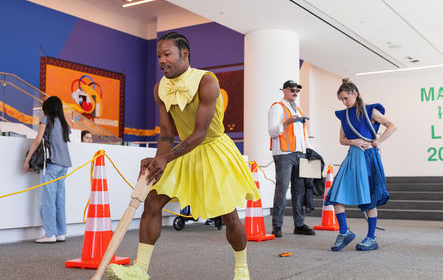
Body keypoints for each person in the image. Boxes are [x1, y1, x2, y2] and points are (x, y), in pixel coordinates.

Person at [106, 32, 260, 280]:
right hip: (182, 151)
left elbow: (200, 133)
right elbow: (167, 133)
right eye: (158, 56)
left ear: (184, 53)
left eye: (167, 54)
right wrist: (157, 164)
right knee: (152, 202)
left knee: (229, 215)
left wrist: (165, 159)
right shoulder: (160, 88)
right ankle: (140, 270)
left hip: (213, 148)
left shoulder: (206, 81)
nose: (161, 60)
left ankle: (242, 269)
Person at [324, 78, 396, 252]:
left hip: (368, 157)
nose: (344, 102)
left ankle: (371, 238)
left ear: (355, 94)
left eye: (346, 98)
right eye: (341, 99)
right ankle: (344, 232)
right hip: (352, 157)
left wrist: (377, 141)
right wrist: (352, 141)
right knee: (335, 195)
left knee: (370, 198)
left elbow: (391, 126)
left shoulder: (370, 110)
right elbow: (341, 139)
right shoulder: (344, 115)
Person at [267, 80, 315, 238]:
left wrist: (307, 150)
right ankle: (277, 226)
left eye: (297, 90)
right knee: (282, 188)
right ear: (284, 91)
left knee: (299, 190)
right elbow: (272, 132)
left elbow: (303, 133)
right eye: (292, 90)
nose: (295, 92)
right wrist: (286, 123)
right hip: (283, 154)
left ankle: (299, 224)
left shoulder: (299, 110)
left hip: (299, 153)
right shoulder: (277, 107)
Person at [24, 96, 72, 243]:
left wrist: (27, 160)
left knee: (47, 200)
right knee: (59, 199)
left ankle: (49, 234)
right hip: (64, 164)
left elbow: (38, 140)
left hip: (51, 164)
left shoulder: (46, 119)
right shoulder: (65, 123)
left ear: (48, 108)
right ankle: (60, 233)